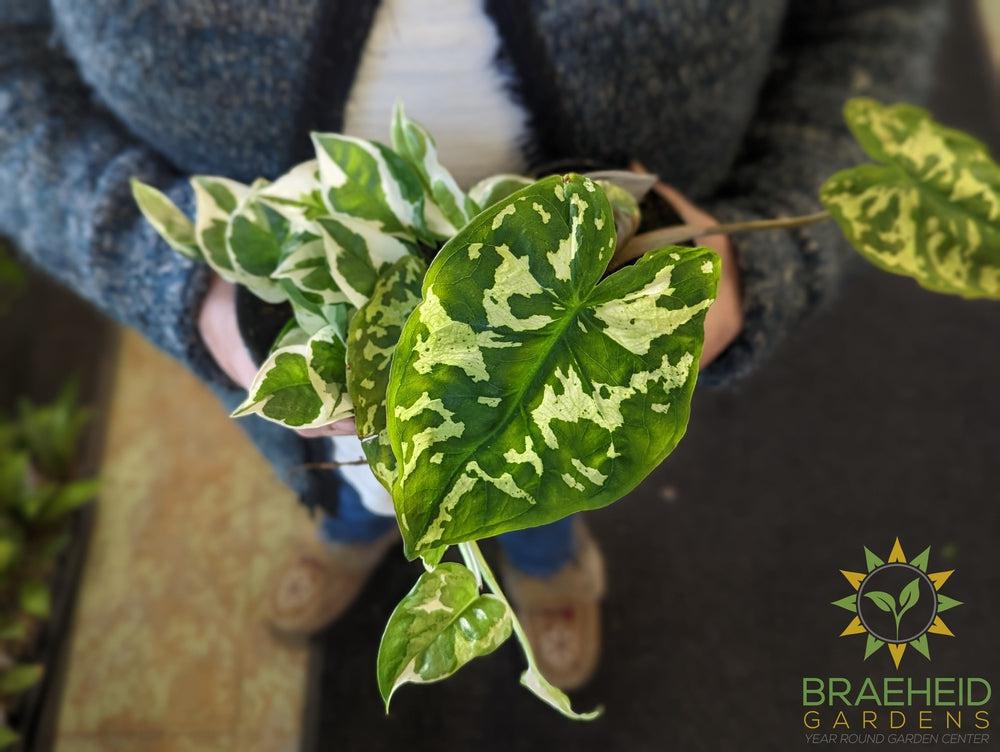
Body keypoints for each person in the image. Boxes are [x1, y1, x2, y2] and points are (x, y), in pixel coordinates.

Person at [0, 0, 944, 691]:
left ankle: (548, 569)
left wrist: (767, 249)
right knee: (349, 478)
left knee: (538, 487)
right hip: (301, 332)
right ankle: (356, 532)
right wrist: (189, 293)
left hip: (596, 319)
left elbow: (867, 22)